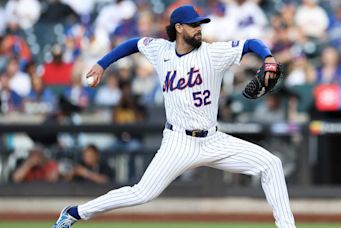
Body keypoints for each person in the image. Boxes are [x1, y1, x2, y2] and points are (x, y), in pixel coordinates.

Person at [53, 5, 296, 228]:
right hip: (178, 142)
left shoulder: (213, 53)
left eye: (200, 24)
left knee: (271, 164)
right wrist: (102, 63)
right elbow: (134, 43)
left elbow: (251, 43)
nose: (199, 29)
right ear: (179, 28)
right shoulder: (161, 50)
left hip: (213, 139)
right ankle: (74, 213)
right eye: (193, 25)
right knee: (142, 193)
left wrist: (268, 57)